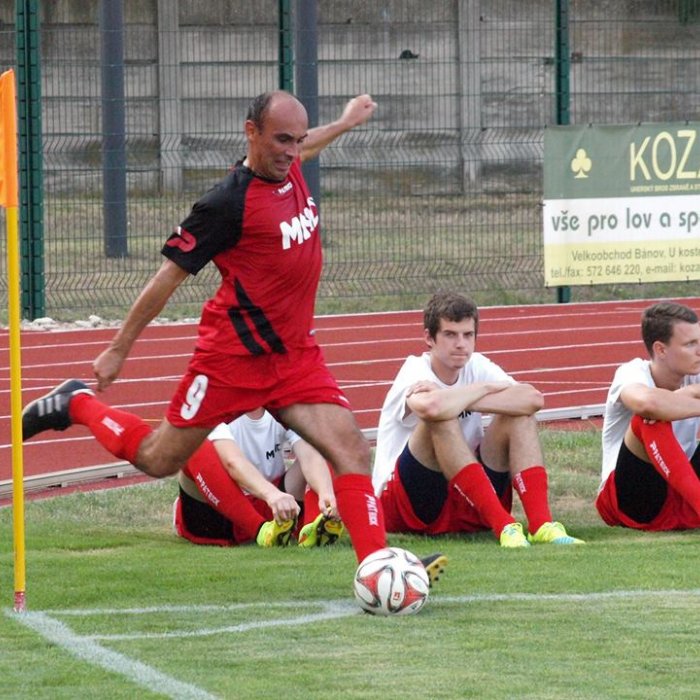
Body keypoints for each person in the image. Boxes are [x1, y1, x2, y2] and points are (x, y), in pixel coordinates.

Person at [22, 90, 447, 584]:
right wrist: (118, 348)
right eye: (281, 140)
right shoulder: (227, 203)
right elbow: (166, 277)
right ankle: (76, 405)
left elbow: (309, 148)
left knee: (351, 448)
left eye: (298, 140)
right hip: (231, 360)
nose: (292, 151)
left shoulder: (291, 165)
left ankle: (377, 572)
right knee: (159, 459)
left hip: (294, 358)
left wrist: (346, 123)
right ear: (251, 133)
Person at [373, 290, 584, 547]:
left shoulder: (478, 366)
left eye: (468, 335)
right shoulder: (415, 368)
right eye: (450, 335)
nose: (461, 344)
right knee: (440, 419)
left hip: (468, 493)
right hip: (408, 503)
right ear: (429, 338)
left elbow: (533, 399)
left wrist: (466, 395)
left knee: (519, 416)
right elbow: (431, 408)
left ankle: (541, 524)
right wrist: (481, 391)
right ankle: (503, 524)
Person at [174, 407, 345, 548]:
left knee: (323, 440)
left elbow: (310, 455)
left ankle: (313, 528)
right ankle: (261, 531)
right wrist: (272, 494)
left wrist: (326, 493)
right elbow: (233, 462)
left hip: (274, 509)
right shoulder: (212, 401)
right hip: (217, 514)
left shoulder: (286, 401)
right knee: (194, 444)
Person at [595, 301, 700, 531]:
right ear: (661, 350)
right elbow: (647, 403)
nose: (699, 350)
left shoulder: (695, 374)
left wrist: (689, 394)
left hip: (682, 488)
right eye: (690, 344)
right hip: (633, 498)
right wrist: (690, 397)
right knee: (648, 418)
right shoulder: (631, 372)